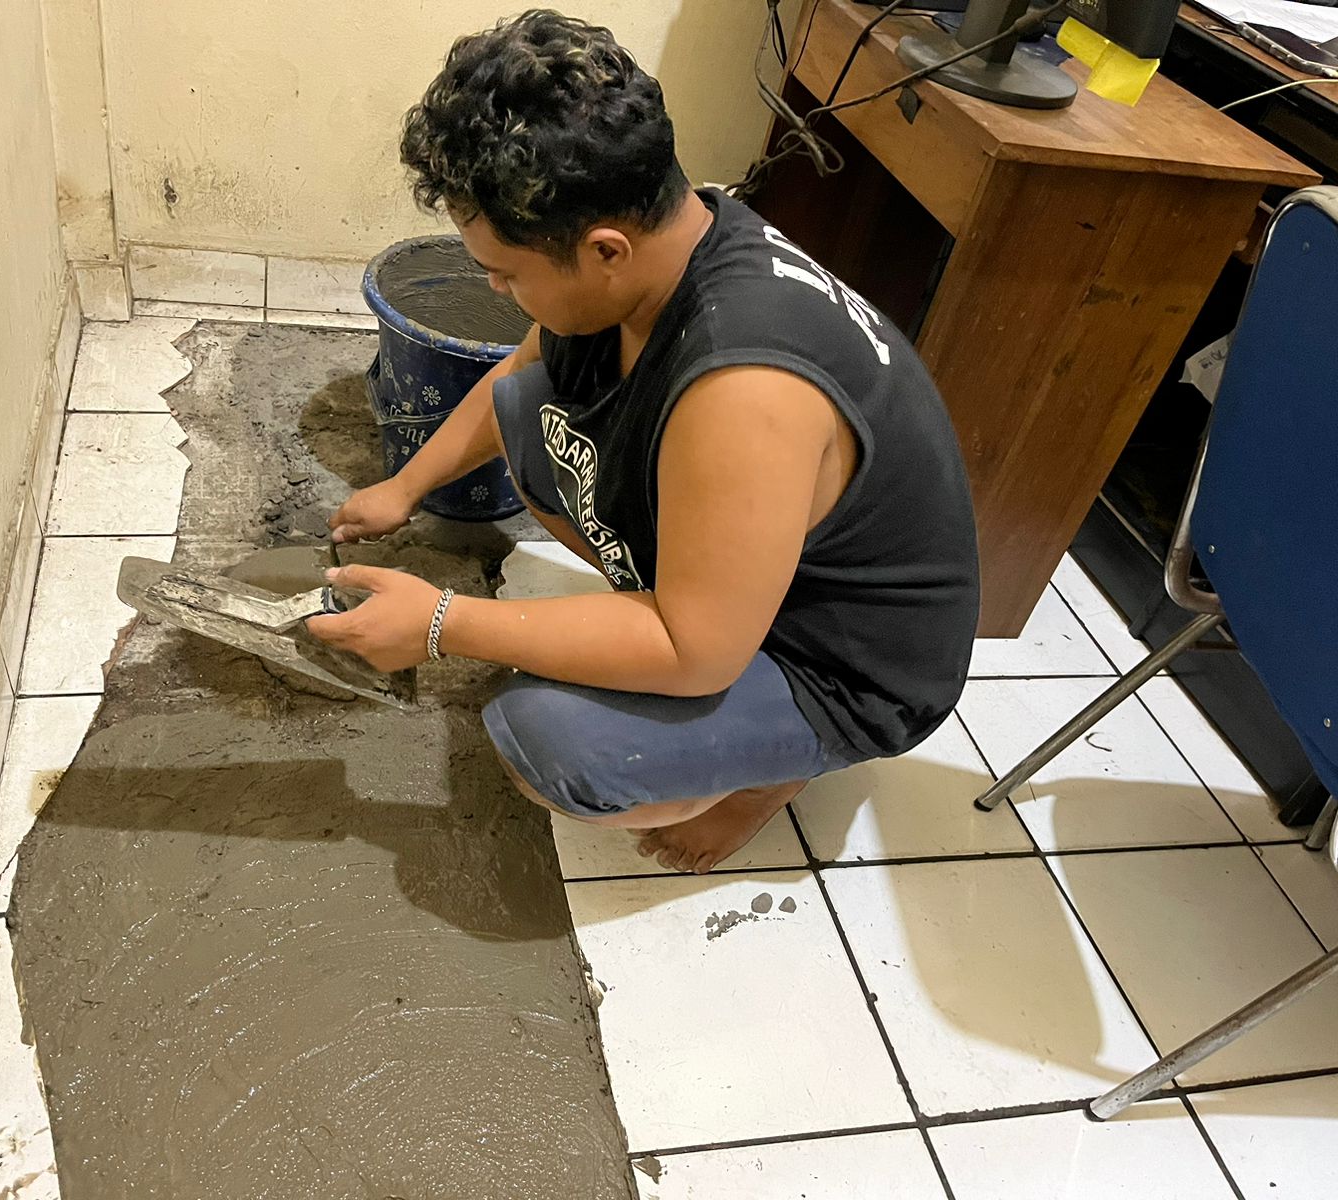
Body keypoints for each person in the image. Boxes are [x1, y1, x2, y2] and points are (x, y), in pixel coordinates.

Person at [308, 9, 979, 873]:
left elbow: (692, 655)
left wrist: (442, 624)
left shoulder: (743, 390)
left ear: (604, 250)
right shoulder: (670, 239)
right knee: (528, 407)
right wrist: (404, 488)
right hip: (753, 575)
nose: (497, 290)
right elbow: (517, 374)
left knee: (548, 740)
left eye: (506, 273)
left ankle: (769, 776)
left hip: (840, 664)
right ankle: (689, 607)